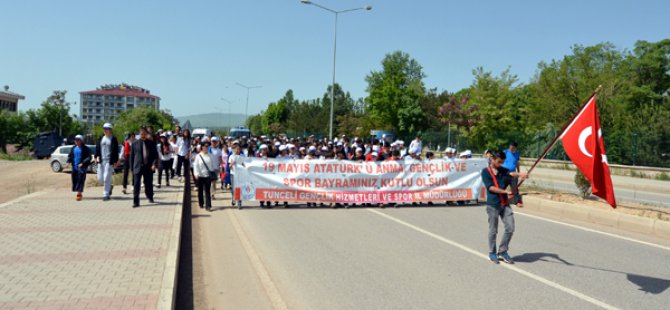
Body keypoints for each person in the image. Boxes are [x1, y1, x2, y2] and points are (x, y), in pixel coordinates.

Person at [481, 150, 528, 264]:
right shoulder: (485, 172)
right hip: (493, 205)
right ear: (492, 159)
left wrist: (522, 174)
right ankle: (492, 252)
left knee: (510, 227)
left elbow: (511, 174)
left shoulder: (503, 170)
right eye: (499, 162)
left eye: (502, 162)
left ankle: (503, 250)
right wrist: (505, 192)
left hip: (504, 204)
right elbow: (491, 188)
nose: (500, 164)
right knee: (493, 230)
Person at [130, 127, 159, 208]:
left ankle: (150, 197)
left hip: (148, 167)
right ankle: (136, 202)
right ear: (139, 134)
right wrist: (132, 168)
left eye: (144, 134)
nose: (143, 135)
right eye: (141, 134)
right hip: (137, 167)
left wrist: (154, 164)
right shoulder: (134, 144)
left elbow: (155, 156)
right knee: (136, 185)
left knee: (149, 184)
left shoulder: (151, 143)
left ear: (146, 134)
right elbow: (131, 157)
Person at [94, 123, 120, 201]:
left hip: (109, 161)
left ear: (110, 130)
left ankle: (106, 194)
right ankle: (110, 187)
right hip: (101, 161)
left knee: (106, 178)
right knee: (100, 178)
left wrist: (116, 161)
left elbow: (115, 151)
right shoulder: (101, 139)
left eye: (107, 129)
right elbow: (97, 148)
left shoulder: (113, 139)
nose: (105, 130)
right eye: (104, 129)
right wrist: (95, 156)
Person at [66, 135, 92, 201]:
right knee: (75, 180)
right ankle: (78, 191)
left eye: (78, 140)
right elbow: (70, 156)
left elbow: (89, 157)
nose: (76, 141)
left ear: (81, 140)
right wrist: (68, 162)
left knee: (80, 180)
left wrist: (82, 163)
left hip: (82, 168)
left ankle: (79, 194)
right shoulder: (73, 148)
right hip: (74, 167)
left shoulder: (86, 148)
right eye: (75, 140)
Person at [193, 140, 214, 211]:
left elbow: (212, 165)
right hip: (200, 176)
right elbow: (195, 165)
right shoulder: (198, 156)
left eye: (208, 146)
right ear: (202, 147)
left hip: (207, 176)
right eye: (205, 146)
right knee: (200, 191)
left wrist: (212, 173)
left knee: (207, 191)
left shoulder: (210, 155)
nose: (207, 148)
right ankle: (201, 203)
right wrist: (196, 174)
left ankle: (208, 205)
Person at [503, 142, 523, 207]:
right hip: (504, 173)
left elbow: (517, 163)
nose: (510, 149)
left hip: (513, 173)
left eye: (512, 148)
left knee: (515, 188)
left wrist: (519, 172)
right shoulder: (505, 152)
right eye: (510, 147)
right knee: (501, 187)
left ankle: (517, 202)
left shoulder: (517, 153)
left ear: (515, 148)